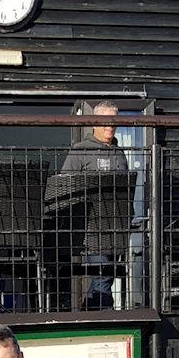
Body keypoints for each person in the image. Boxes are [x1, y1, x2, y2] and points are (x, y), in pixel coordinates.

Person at [60, 101, 130, 310]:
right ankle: (106, 316)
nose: (111, 126)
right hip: (92, 227)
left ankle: (90, 310)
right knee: (102, 274)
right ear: (93, 123)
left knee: (109, 274)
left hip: (118, 226)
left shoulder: (119, 153)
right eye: (106, 121)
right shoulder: (80, 150)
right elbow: (64, 186)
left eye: (114, 121)